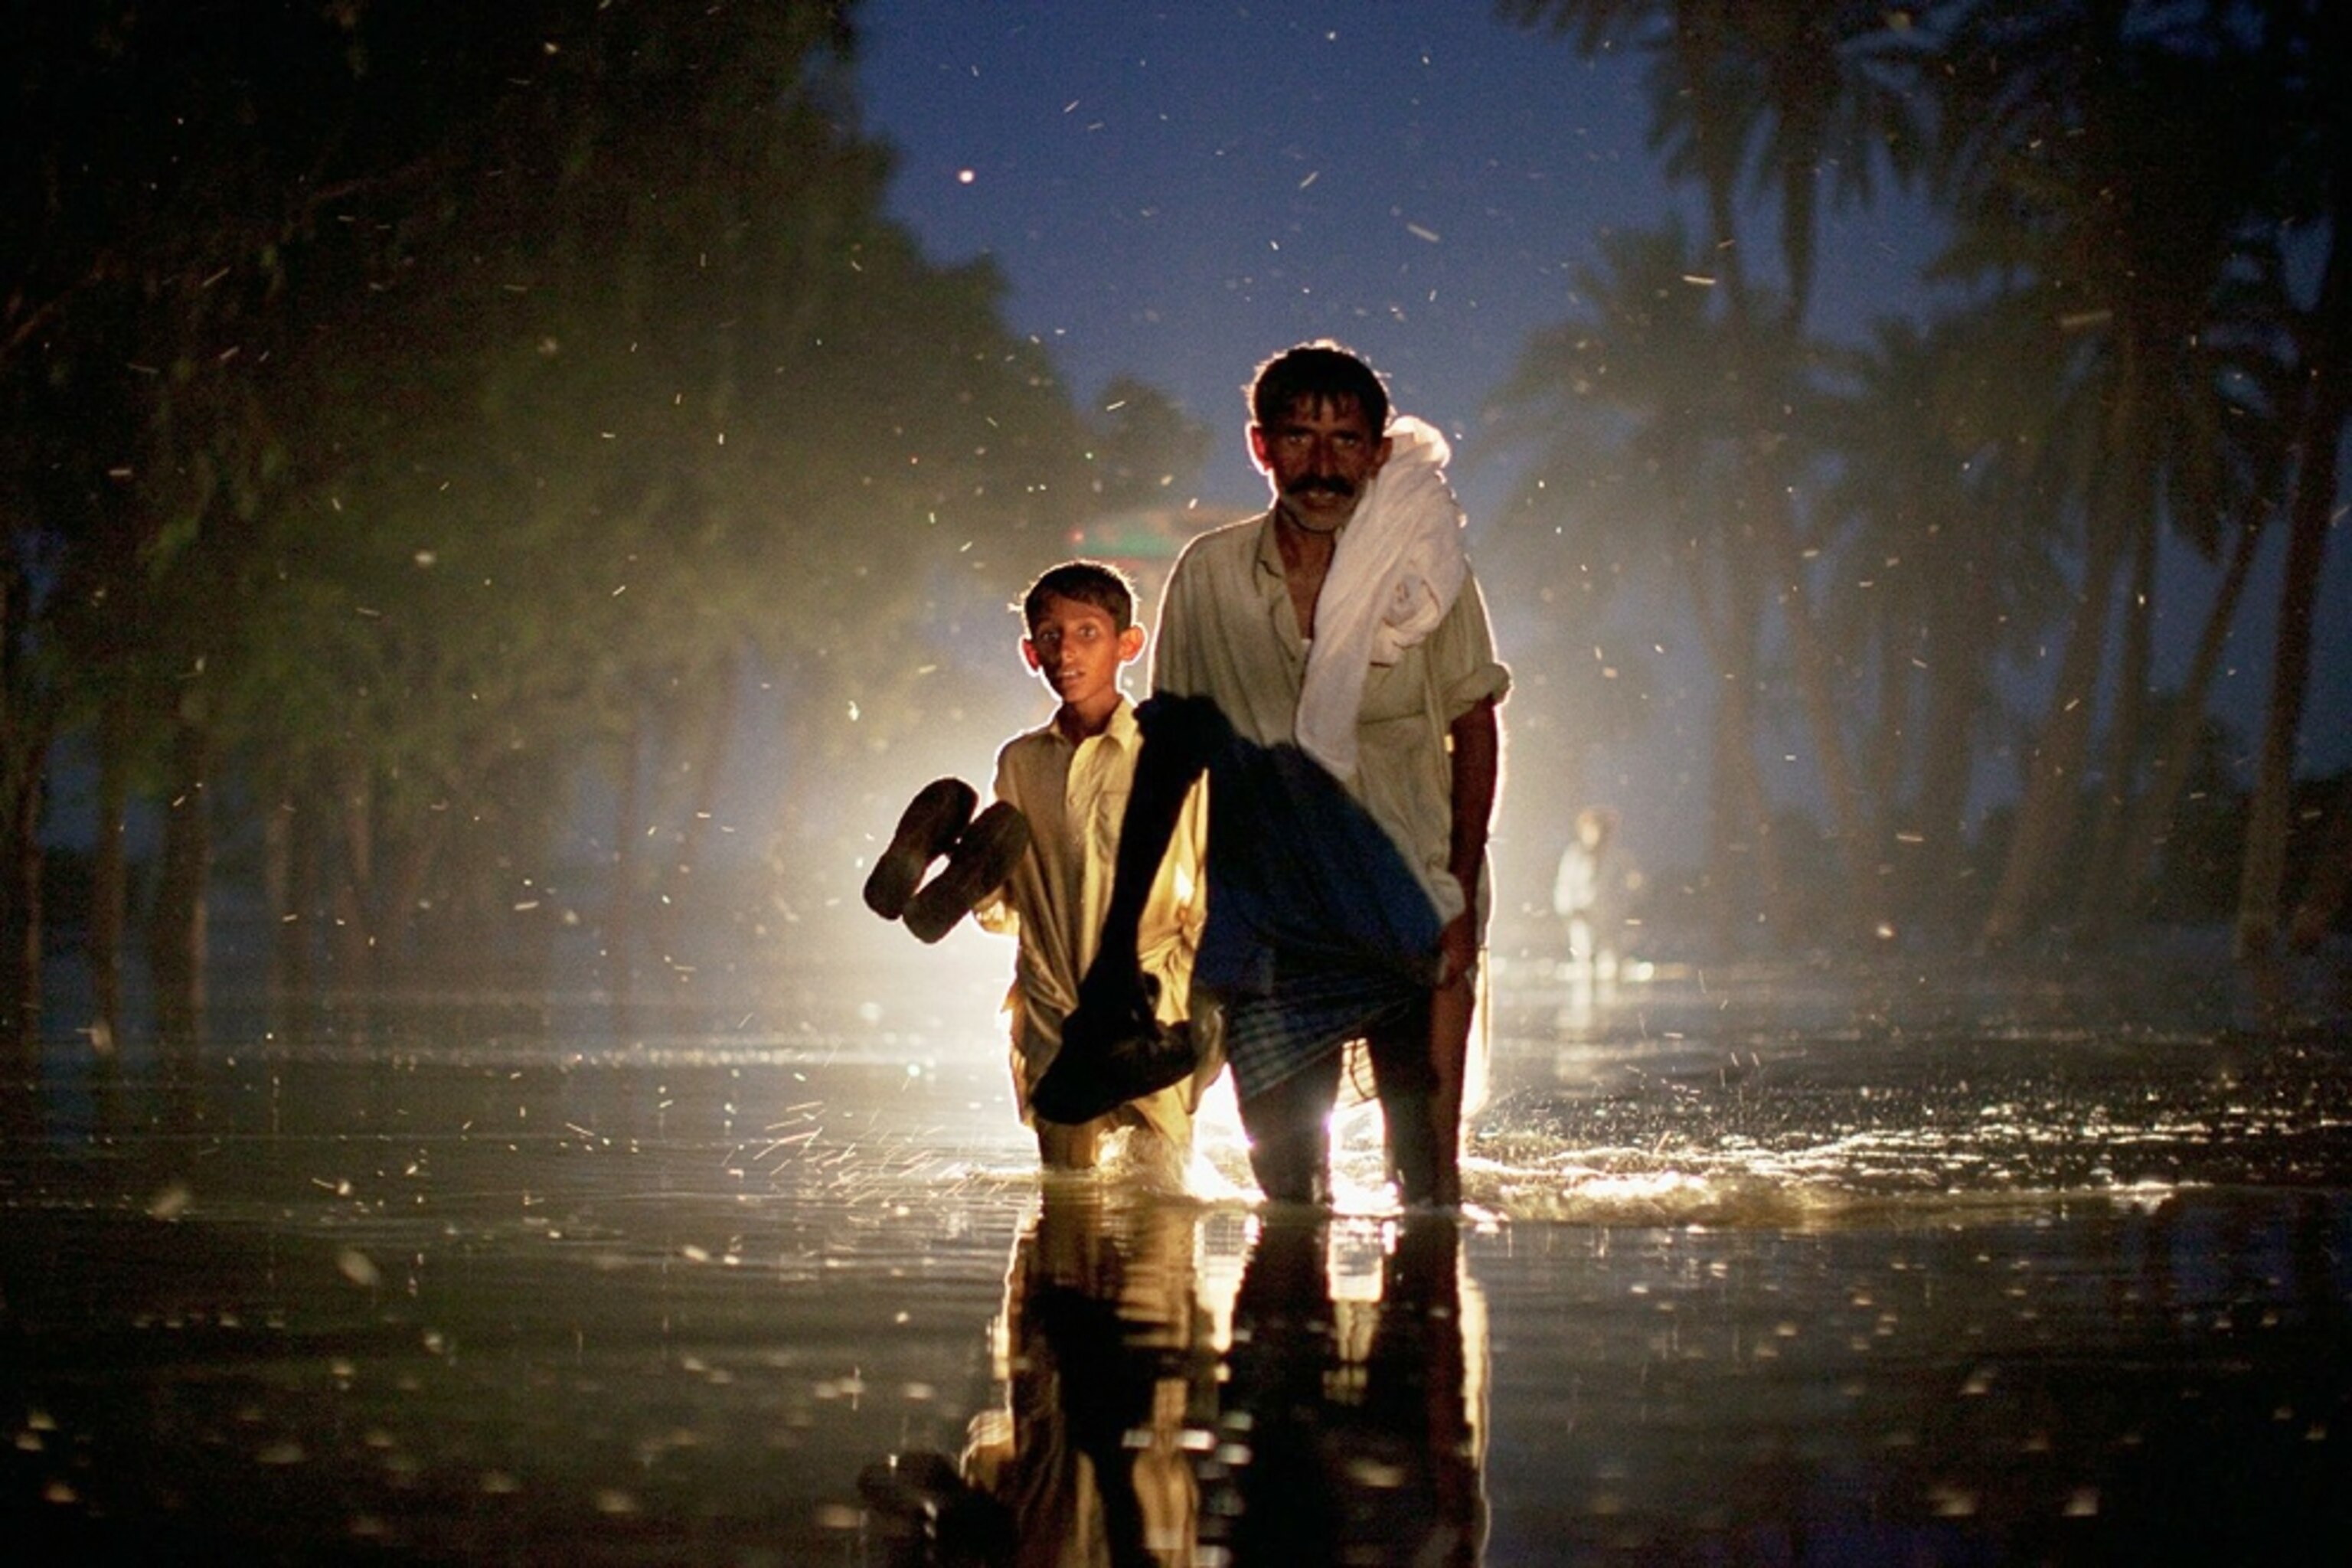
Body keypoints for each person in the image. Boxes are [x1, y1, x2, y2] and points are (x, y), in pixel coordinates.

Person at [1064, 341, 1508, 1207]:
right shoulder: (1210, 577)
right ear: (1260, 446)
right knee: (1288, 1189)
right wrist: (1126, 936)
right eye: (1299, 438)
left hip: (1409, 906)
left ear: (1379, 453)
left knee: (1425, 1180)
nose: (1323, 463)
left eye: (1346, 441)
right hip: (1269, 929)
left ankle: (1424, 1326)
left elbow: (1475, 727)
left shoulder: (1426, 574)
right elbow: (1170, 760)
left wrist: (1458, 896)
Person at [865, 560, 1212, 1174]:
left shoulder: (1170, 755)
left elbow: (1208, 887)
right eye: (1050, 637)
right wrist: (982, 889)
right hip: (1053, 1008)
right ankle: (949, 860)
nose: (1066, 653)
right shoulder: (1021, 763)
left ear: (1128, 644)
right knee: (1066, 1206)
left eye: (1087, 633)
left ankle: (949, 847)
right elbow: (1017, 907)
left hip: (1147, 1008)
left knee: (1160, 1207)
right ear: (1030, 652)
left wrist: (1192, 997)